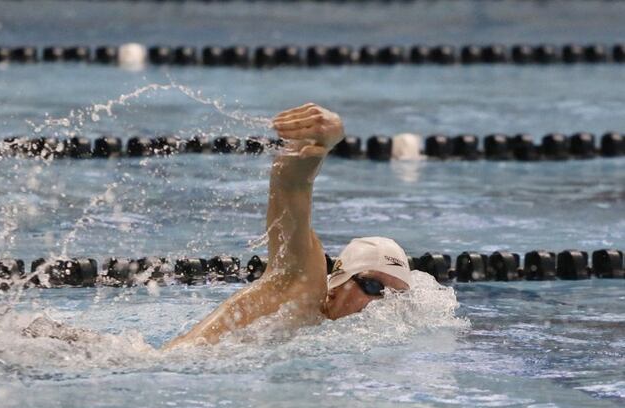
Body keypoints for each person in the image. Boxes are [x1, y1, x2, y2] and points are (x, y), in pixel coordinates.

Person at [24, 103, 412, 349]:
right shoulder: (302, 286)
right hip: (149, 371)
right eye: (374, 286)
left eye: (395, 297)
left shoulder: (322, 333)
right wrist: (319, 146)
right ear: (337, 282)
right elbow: (291, 186)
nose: (381, 306)